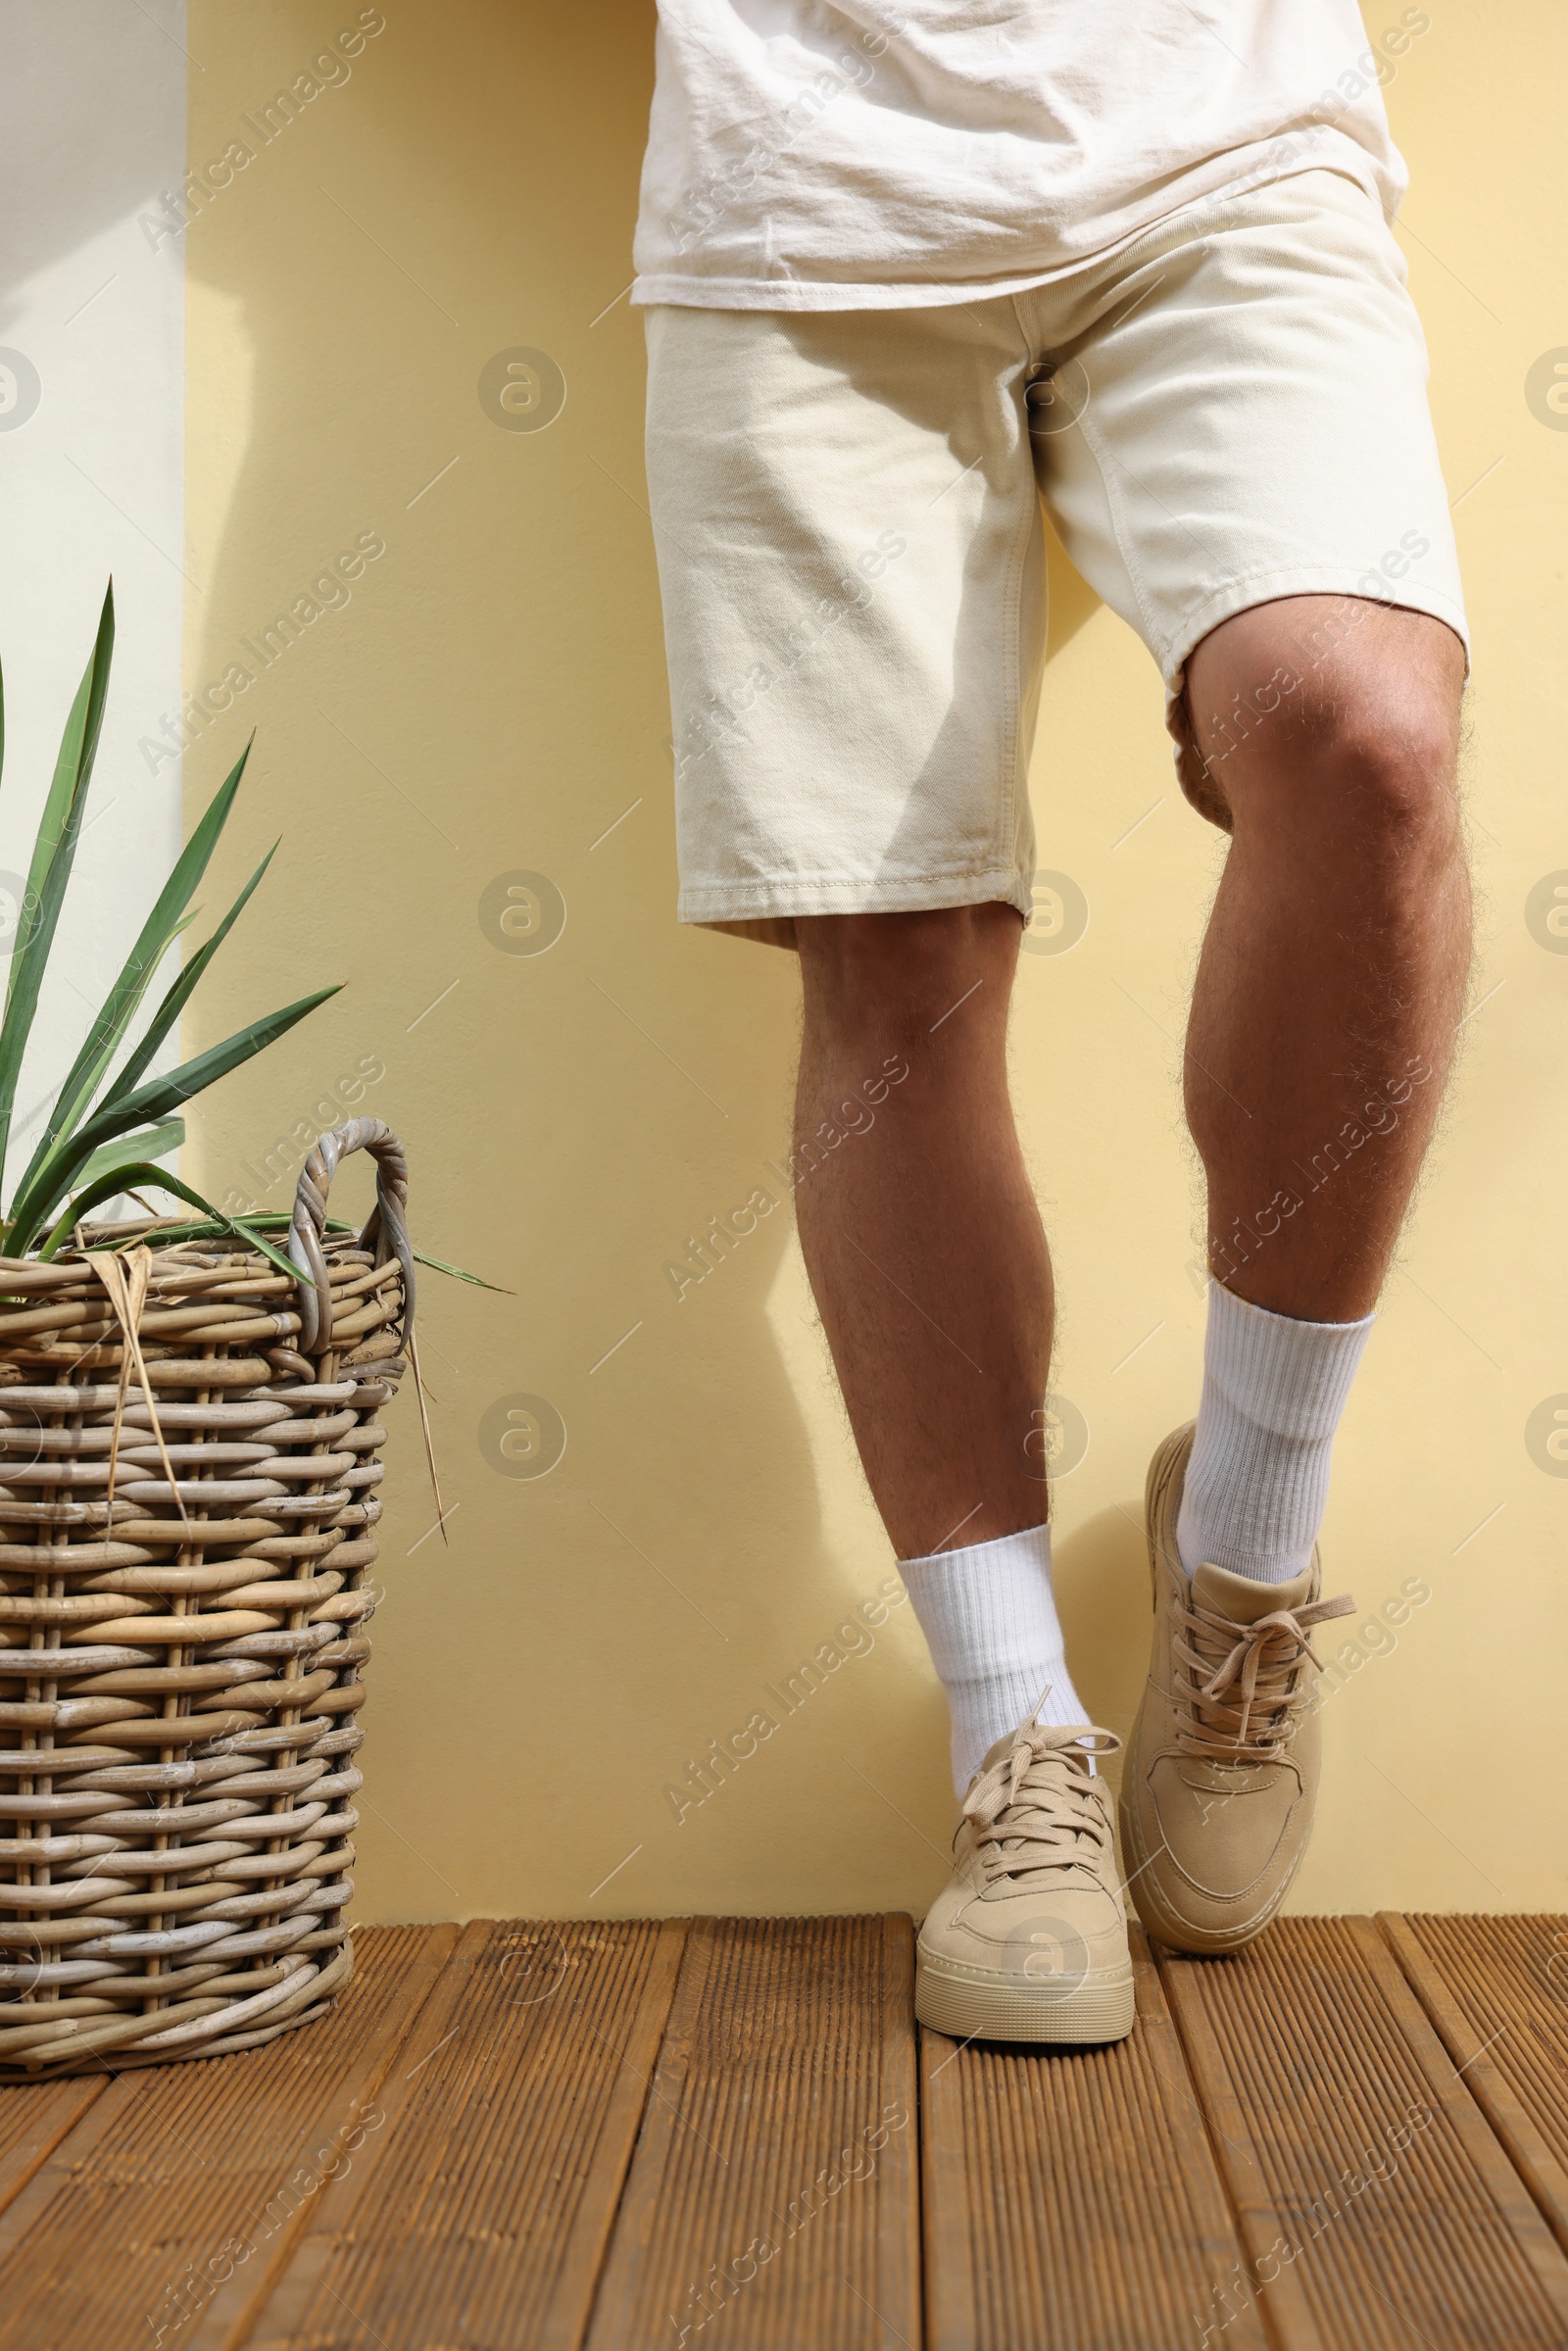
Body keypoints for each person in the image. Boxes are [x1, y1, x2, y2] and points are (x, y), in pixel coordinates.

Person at [633, 1, 1467, 2044]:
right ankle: (1017, 1749)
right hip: (797, 201)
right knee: (895, 946)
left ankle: (1242, 1568)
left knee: (1361, 735)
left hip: (1225, 150)